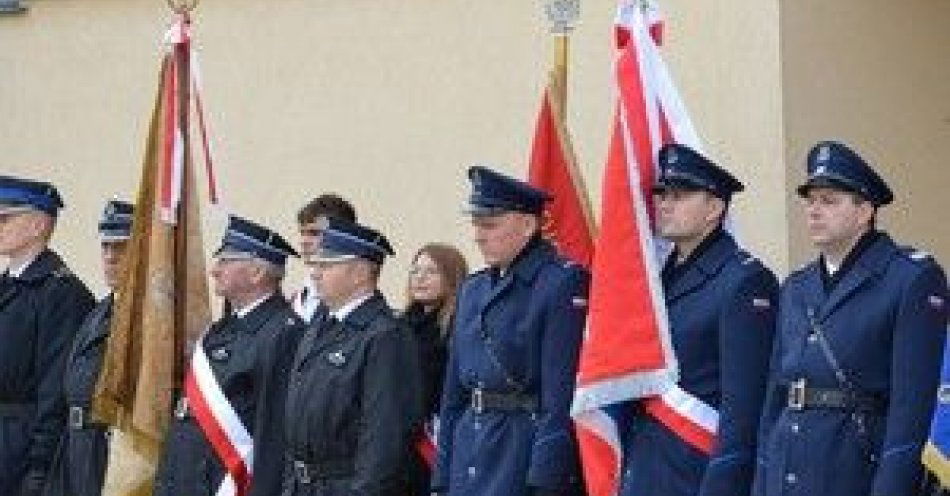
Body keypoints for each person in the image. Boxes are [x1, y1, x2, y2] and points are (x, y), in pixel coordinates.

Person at [752, 141, 948, 496]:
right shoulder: (796, 287)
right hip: (787, 473)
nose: (814, 211)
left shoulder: (910, 279)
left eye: (829, 201)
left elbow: (911, 410)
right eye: (810, 201)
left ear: (864, 211)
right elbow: (774, 399)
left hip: (853, 474)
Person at [618, 144, 779, 496]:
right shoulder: (658, 279)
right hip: (647, 465)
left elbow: (744, 405)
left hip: (698, 470)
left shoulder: (743, 280)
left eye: (679, 196)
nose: (664, 204)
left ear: (715, 208)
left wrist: (724, 485)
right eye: (661, 195)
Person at [432, 165, 589, 496]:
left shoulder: (559, 283)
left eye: (490, 224)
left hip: (519, 454)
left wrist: (546, 479)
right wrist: (442, 475)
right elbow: (453, 395)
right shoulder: (473, 288)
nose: (478, 235)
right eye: (476, 224)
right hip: (469, 452)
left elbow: (559, 395)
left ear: (528, 225)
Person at [261, 217, 422, 496]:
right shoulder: (319, 324)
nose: (315, 274)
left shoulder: (385, 335)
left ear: (359, 273)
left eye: (326, 265)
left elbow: (384, 438)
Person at [152, 215, 306, 496]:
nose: (214, 270)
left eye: (225, 260)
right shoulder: (221, 330)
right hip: (188, 478)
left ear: (257, 273)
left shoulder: (283, 333)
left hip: (228, 483)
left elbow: (273, 435)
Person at [0, 175, 95, 496]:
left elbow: (55, 389)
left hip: (21, 448)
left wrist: (40, 470)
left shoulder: (60, 294)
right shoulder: (8, 286)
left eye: (5, 218)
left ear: (39, 225)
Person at [43, 200, 133, 496]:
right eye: (106, 247)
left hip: (109, 447)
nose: (110, 258)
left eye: (120, 248)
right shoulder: (100, 310)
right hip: (75, 444)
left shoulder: (149, 320)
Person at [401, 243, 468, 496]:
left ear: (452, 277)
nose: (420, 278)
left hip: (438, 440)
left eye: (431, 271)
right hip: (403, 444)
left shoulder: (458, 328)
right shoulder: (400, 326)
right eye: (415, 271)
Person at [291, 194, 357, 323]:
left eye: (314, 233)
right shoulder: (298, 297)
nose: (304, 241)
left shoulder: (351, 298)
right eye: (302, 233)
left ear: (342, 236)